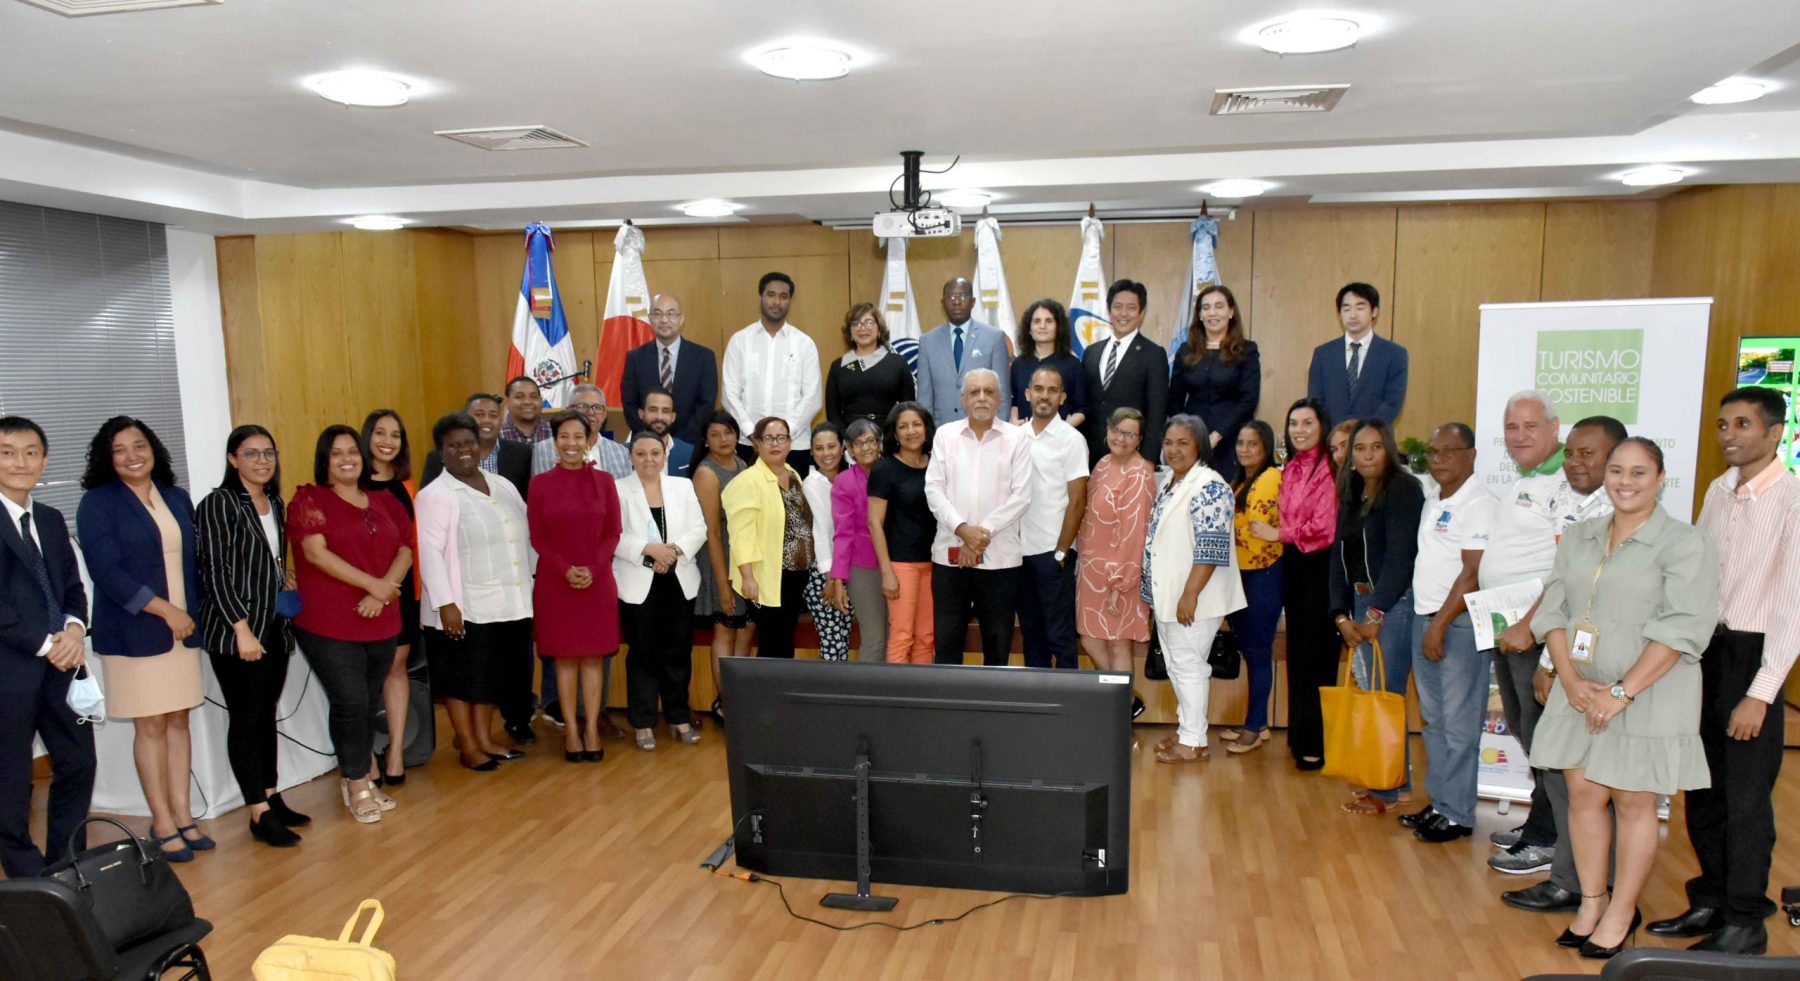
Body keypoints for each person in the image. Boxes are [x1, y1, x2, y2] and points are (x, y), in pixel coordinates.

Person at [1531, 437, 1718, 960]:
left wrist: (1621, 693)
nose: (1626, 481)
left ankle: (1621, 911)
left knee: (1635, 803)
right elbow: (1553, 609)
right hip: (1581, 691)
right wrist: (1569, 680)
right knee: (1585, 796)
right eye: (1617, 470)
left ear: (1660, 479)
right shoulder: (1580, 536)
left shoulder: (1684, 543)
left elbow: (1684, 627)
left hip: (1649, 694)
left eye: (1640, 472)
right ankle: (1593, 901)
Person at [1655, 387, 1800, 955]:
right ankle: (1711, 898)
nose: (1729, 435)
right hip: (1706, 652)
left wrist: (1761, 693)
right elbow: (1696, 576)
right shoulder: (1719, 490)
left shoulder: (1792, 499)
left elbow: (1792, 605)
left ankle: (1746, 919)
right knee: (1704, 787)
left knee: (1745, 799)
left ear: (1775, 433)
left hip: (1755, 655)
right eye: (1722, 424)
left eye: (1743, 424)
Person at [77, 416, 206, 859]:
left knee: (179, 721)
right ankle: (163, 822)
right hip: (136, 630)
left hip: (182, 631)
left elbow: (194, 562)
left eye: (140, 445)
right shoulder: (98, 503)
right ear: (107, 458)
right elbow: (106, 571)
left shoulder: (176, 497)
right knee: (150, 724)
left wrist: (187, 615)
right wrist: (165, 610)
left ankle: (185, 817)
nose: (132, 455)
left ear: (153, 449)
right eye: (120, 449)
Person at [287, 425, 412, 825]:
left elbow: (406, 550)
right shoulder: (309, 500)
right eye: (336, 453)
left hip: (383, 617)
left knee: (367, 701)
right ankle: (357, 783)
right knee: (350, 702)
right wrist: (372, 585)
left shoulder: (385, 501)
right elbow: (316, 555)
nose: (346, 459)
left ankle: (359, 776)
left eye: (353, 452)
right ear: (325, 460)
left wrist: (383, 592)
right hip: (329, 623)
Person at [1483, 390, 1579, 898]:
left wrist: (1530, 624)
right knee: (1526, 730)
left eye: (1529, 426)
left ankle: (1547, 837)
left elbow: (1564, 569)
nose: (1519, 435)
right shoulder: (1528, 479)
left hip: (1536, 632)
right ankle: (1540, 825)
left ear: (1555, 427)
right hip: (1505, 626)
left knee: (1544, 738)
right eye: (1511, 426)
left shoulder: (1567, 481)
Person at [195, 425, 307, 848]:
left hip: (274, 625)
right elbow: (216, 572)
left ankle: (272, 796)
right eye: (251, 453)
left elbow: (265, 558)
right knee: (246, 717)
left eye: (268, 453)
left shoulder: (274, 502)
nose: (262, 460)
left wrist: (284, 575)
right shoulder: (218, 504)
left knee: (266, 714)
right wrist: (240, 627)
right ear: (232, 459)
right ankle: (256, 812)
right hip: (236, 631)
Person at [0, 417, 94, 877]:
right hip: (10, 672)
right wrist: (46, 644)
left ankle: (67, 865)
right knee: (12, 782)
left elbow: (73, 590)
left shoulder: (52, 519)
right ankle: (27, 879)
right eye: (8, 452)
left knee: (79, 762)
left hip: (61, 666)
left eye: (31, 451)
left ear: (45, 459)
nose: (21, 462)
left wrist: (74, 632)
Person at [1395, 423, 1497, 843]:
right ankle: (1440, 803)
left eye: (1449, 452)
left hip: (1456, 623)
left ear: (1471, 454)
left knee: (1458, 724)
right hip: (1427, 619)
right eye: (1433, 452)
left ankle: (1458, 814)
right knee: (1434, 721)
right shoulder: (1434, 498)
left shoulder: (1481, 503)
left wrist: (1438, 625)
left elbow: (1473, 573)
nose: (1438, 460)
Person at [417, 413, 535, 770]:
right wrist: (446, 604)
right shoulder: (435, 495)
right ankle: (468, 745)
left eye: (468, 442)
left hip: (511, 602)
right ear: (441, 452)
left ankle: (485, 738)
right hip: (464, 606)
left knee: (493, 677)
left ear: (479, 445)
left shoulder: (503, 486)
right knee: (462, 679)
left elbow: (527, 537)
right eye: (453, 445)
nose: (463, 450)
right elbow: (429, 552)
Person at [1328, 419, 1424, 814]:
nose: (1367, 455)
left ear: (1389, 449)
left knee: (1386, 696)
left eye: (1375, 447)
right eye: (1359, 449)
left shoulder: (1403, 489)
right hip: (1358, 602)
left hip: (1392, 605)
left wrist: (1375, 612)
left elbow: (1403, 557)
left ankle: (1385, 790)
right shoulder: (1350, 491)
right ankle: (1393, 783)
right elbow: (1337, 557)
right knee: (1375, 695)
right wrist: (1340, 615)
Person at [1144, 415, 1246, 762]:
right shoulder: (1171, 482)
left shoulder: (1210, 486)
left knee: (1188, 665)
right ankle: (1189, 728)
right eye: (1169, 443)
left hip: (1195, 597)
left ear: (1200, 445)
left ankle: (1194, 741)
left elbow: (1211, 547)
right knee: (1176, 664)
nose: (1174, 450)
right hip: (1170, 593)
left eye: (1183, 443)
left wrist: (1190, 594)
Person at [529, 410, 624, 761]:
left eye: (578, 437)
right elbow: (538, 536)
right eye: (564, 436)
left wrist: (594, 568)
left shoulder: (604, 482)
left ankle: (591, 728)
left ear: (588, 441)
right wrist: (565, 569)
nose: (571, 443)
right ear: (555, 442)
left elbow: (613, 531)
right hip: (556, 583)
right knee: (566, 660)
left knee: (593, 658)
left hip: (597, 582)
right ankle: (570, 729)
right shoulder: (540, 484)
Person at [925, 370, 1032, 666]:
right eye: (974, 392)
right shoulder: (945, 435)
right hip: (950, 558)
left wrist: (980, 533)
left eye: (988, 391)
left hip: (1000, 560)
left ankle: (991, 713)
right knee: (947, 645)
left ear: (1000, 398)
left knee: (997, 647)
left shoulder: (1017, 438)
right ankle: (949, 712)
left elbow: (1021, 496)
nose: (981, 398)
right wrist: (962, 530)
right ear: (963, 399)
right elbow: (933, 489)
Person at [614, 432, 705, 750]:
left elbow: (699, 528)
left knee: (678, 650)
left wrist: (673, 551)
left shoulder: (682, 486)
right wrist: (649, 550)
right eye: (641, 454)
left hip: (679, 578)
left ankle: (678, 716)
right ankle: (642, 722)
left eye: (655, 452)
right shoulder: (618, 490)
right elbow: (613, 535)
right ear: (631, 456)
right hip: (638, 581)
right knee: (643, 653)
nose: (648, 459)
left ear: (665, 454)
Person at [1076, 408, 1155, 708]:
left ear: (1139, 440)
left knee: (1118, 642)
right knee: (1090, 638)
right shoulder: (1103, 464)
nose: (1121, 439)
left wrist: (1119, 582)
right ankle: (1122, 703)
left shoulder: (1140, 472)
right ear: (1107, 430)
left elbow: (1134, 532)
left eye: (1130, 434)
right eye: (1117, 431)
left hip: (1120, 573)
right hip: (1091, 572)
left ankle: (1122, 708)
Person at [1278, 398, 1339, 771]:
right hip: (1294, 564)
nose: (1299, 430)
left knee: (1317, 656)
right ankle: (1299, 736)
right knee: (1297, 652)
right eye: (1293, 423)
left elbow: (1324, 528)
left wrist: (1279, 533)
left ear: (1322, 427)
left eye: (1307, 423)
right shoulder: (1291, 467)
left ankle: (1315, 741)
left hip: (1320, 565)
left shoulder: (1328, 468)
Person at [723, 417, 815, 661]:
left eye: (781, 437)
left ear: (789, 443)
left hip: (795, 574)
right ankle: (768, 698)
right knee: (773, 643)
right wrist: (748, 576)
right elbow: (742, 534)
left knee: (785, 640)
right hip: (766, 576)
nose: (775, 443)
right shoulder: (747, 481)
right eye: (768, 438)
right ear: (756, 443)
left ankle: (780, 696)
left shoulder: (793, 473)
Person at [361, 409, 420, 783]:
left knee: (396, 669)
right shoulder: (351, 483)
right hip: (363, 589)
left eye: (395, 435)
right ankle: (364, 757)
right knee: (365, 678)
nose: (387, 441)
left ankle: (395, 751)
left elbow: (413, 542)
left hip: (403, 589)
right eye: (380, 433)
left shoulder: (408, 485)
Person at [1018, 365, 1089, 668]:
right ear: (1027, 393)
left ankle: (1069, 712)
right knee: (1032, 637)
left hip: (1053, 554)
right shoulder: (1015, 436)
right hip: (1019, 554)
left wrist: (1062, 551)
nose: (1044, 396)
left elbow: (1077, 501)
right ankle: (1037, 712)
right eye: (1039, 389)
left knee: (1059, 636)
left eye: (1052, 390)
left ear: (1062, 397)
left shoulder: (1071, 439)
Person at [721, 272, 822, 474]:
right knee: (750, 504)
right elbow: (729, 394)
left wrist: (783, 436)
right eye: (771, 294)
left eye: (783, 296)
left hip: (794, 446)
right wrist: (753, 434)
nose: (777, 302)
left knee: (792, 504)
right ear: (761, 297)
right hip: (748, 445)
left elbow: (813, 397)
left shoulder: (804, 344)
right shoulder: (740, 341)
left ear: (790, 301)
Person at [1222, 420, 1283, 754]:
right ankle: (1256, 722)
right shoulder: (1241, 480)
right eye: (1241, 443)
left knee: (1259, 652)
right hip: (1242, 574)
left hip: (1264, 573)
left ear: (1266, 447)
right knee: (1250, 651)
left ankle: (1254, 726)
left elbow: (1257, 530)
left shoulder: (1272, 477)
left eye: (1253, 444)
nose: (1245, 449)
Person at [1168, 285, 1261, 483]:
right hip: (1192, 441)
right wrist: (1187, 434)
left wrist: (1217, 435)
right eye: (1206, 307)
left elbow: (1249, 399)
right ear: (1200, 315)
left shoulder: (1247, 350)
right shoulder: (1185, 351)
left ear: (1231, 312)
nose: (1213, 313)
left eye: (1219, 306)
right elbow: (1174, 399)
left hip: (1232, 441)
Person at [692, 411, 752, 718]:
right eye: (715, 434)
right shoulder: (707, 473)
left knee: (744, 630)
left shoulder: (742, 464)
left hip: (743, 558)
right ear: (705, 439)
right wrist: (722, 584)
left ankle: (738, 696)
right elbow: (712, 532)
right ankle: (723, 703)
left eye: (728, 432)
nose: (723, 439)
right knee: (725, 630)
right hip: (720, 559)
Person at [869, 402, 937, 663]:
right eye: (903, 426)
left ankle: (923, 701)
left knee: (927, 637)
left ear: (926, 429)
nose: (911, 431)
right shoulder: (884, 469)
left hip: (934, 563)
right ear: (895, 434)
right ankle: (896, 702)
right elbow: (874, 523)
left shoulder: (937, 464)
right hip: (901, 565)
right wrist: (887, 572)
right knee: (901, 635)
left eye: (916, 424)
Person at [1080, 279, 1168, 466]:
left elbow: (1157, 413)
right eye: (1117, 307)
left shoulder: (1153, 355)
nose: (1123, 314)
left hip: (1132, 455)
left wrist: (1148, 459)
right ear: (1109, 310)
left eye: (1131, 308)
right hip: (1089, 456)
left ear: (1141, 313)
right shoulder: (1091, 352)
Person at [621, 292, 718, 447]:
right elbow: (630, 405)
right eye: (658, 314)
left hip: (688, 445)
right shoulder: (635, 358)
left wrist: (677, 442)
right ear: (650, 319)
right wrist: (652, 438)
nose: (664, 320)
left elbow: (706, 405)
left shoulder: (703, 357)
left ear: (681, 319)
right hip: (646, 444)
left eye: (671, 314)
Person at [1306, 282, 1408, 427]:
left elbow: (1392, 403)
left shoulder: (1394, 354)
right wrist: (1338, 435)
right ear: (1340, 314)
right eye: (1346, 308)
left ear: (1374, 311)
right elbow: (1316, 401)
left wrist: (1364, 433)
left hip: (1374, 440)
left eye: (1360, 307)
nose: (1352, 315)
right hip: (1332, 441)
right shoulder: (1323, 354)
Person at [916, 277, 1012, 425]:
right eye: (951, 297)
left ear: (973, 302)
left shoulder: (994, 337)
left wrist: (997, 432)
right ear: (943, 303)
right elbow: (924, 398)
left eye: (963, 296)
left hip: (984, 429)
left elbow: (1003, 394)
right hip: (942, 431)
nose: (956, 302)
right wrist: (929, 436)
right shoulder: (927, 342)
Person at [831, 418, 888, 660]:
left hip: (900, 562)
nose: (865, 447)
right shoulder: (844, 481)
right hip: (863, 566)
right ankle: (870, 697)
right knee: (875, 638)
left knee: (898, 635)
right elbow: (842, 534)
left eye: (871, 441)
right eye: (858, 443)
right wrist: (838, 579)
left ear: (880, 443)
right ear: (849, 449)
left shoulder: (893, 470)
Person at [802, 424, 855, 661]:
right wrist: (832, 579)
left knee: (844, 635)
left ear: (843, 446)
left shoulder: (853, 476)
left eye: (832, 446)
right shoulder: (812, 483)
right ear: (812, 452)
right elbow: (820, 532)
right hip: (824, 573)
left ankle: (841, 694)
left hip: (851, 568)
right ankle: (831, 695)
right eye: (819, 448)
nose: (827, 453)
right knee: (832, 640)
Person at [422, 392, 532, 503]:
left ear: (501, 420)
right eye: (479, 415)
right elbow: (429, 499)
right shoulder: (440, 456)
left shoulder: (521, 453)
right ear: (466, 418)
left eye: (493, 415)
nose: (487, 420)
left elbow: (525, 501)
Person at [825, 303, 916, 429]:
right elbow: (833, 413)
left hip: (889, 436)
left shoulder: (897, 363)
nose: (862, 328)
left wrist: (893, 436)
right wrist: (846, 439)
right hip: (850, 439)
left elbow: (908, 408)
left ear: (879, 329)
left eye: (869, 322)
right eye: (856, 323)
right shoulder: (838, 367)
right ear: (849, 333)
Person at [1008, 299, 1087, 429]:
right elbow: (1015, 401)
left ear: (1058, 327)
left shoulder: (1072, 364)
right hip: (1024, 437)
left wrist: (1063, 429)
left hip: (1059, 439)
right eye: (1037, 321)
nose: (1042, 326)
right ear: (1029, 328)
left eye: (1049, 321)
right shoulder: (1018, 363)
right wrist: (1015, 421)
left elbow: (1082, 408)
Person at [531, 383, 631, 480]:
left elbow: (625, 496)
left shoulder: (621, 453)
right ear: (568, 411)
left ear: (604, 415)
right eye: (583, 406)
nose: (591, 412)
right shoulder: (544, 450)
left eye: (597, 408)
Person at [635, 387, 694, 479]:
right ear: (641, 413)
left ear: (673, 417)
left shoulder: (689, 453)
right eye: (653, 410)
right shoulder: (623, 453)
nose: (659, 417)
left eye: (665, 411)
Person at [501, 375, 553, 444]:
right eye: (519, 396)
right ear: (507, 401)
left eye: (533, 396)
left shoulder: (555, 432)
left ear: (541, 401)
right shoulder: (495, 436)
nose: (527, 402)